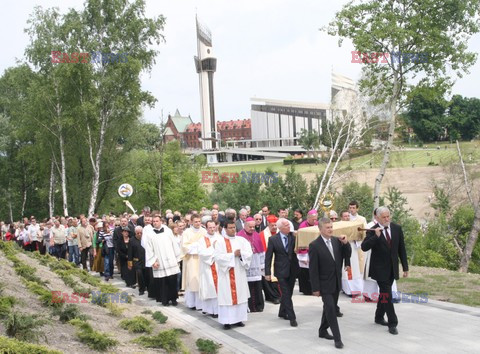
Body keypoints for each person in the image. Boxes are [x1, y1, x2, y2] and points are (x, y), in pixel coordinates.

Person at [361, 206, 409, 335]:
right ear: (377, 218)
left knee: (384, 294)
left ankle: (378, 317)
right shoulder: (372, 230)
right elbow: (364, 247)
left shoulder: (396, 228)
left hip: (392, 268)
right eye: (384, 217)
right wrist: (376, 236)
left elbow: (401, 249)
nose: (387, 219)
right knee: (387, 294)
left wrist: (405, 267)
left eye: (388, 216)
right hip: (379, 269)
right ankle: (393, 323)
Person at [309, 217, 351, 349]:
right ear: (320, 229)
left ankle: (322, 330)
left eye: (331, 227)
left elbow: (346, 253)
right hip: (324, 284)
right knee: (331, 309)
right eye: (327, 228)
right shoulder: (314, 245)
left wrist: (346, 243)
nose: (330, 230)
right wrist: (315, 288)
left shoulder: (336, 241)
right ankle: (337, 339)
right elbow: (313, 269)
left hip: (336, 282)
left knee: (328, 307)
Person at [214, 220, 253, 329]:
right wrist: (232, 255)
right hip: (226, 274)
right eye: (230, 228)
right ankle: (227, 321)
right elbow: (217, 257)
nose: (233, 229)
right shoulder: (220, 242)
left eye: (234, 227)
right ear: (225, 229)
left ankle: (239, 319)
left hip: (239, 272)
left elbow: (249, 253)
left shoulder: (242, 240)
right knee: (227, 297)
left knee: (240, 296)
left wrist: (241, 254)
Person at [265, 218, 300, 327]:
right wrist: (267, 273)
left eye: (289, 225)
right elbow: (268, 257)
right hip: (280, 270)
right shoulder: (273, 239)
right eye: (286, 225)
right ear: (280, 228)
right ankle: (292, 317)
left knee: (288, 292)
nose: (288, 227)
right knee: (285, 293)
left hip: (292, 269)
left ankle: (282, 311)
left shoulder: (293, 236)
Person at [144, 215, 181, 306]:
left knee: (172, 280)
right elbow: (149, 249)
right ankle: (164, 300)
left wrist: (177, 258)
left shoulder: (168, 231)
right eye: (154, 221)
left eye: (157, 221)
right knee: (162, 281)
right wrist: (153, 261)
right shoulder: (150, 234)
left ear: (161, 221)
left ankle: (173, 299)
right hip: (159, 261)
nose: (155, 223)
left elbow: (174, 244)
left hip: (170, 259)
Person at [237, 217, 265, 313]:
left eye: (254, 227)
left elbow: (261, 251)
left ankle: (258, 305)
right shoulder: (239, 236)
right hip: (246, 264)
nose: (252, 229)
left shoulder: (257, 235)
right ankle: (249, 306)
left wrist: (262, 264)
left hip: (256, 262)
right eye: (250, 227)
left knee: (257, 285)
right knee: (247, 286)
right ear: (245, 226)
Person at [181, 214, 207, 310]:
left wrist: (199, 247)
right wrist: (196, 246)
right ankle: (191, 303)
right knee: (192, 280)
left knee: (201, 280)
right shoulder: (187, 232)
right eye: (195, 221)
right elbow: (184, 246)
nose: (198, 223)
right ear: (191, 222)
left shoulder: (204, 231)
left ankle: (201, 304)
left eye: (199, 221)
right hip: (191, 258)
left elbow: (206, 244)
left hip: (202, 258)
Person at [198, 220, 221, 317]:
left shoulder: (220, 238)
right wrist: (213, 247)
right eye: (210, 227)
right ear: (206, 228)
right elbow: (202, 254)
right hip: (208, 267)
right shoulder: (202, 240)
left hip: (219, 266)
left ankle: (218, 310)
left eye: (213, 227)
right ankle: (210, 310)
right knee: (210, 288)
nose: (212, 229)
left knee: (219, 289)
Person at [259, 215, 281, 304]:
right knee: (268, 279)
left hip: (279, 260)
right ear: (268, 224)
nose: (275, 227)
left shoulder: (281, 233)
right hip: (268, 260)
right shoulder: (262, 235)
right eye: (272, 225)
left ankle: (279, 296)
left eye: (276, 225)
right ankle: (272, 296)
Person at [297, 209, 319, 295]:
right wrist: (304, 253)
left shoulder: (317, 225)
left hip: (315, 250)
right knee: (305, 272)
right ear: (308, 218)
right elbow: (301, 240)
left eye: (316, 219)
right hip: (305, 251)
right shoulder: (303, 226)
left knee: (314, 270)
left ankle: (315, 288)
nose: (315, 221)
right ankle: (306, 289)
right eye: (313, 219)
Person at [129, 226, 146, 295]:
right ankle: (141, 289)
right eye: (137, 233)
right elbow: (130, 252)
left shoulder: (145, 239)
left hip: (145, 260)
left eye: (140, 233)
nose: (139, 234)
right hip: (137, 260)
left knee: (146, 274)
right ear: (135, 233)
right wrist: (130, 263)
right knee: (139, 274)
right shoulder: (132, 240)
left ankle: (146, 287)